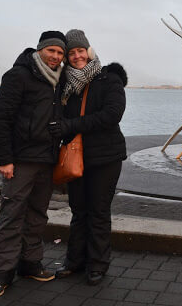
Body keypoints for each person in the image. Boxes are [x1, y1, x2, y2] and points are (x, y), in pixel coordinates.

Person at [0, 31, 67, 298]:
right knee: (11, 217)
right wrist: (5, 159)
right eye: (52, 51)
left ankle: (30, 264)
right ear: (40, 50)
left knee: (37, 216)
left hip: (46, 160)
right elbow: (0, 118)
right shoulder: (18, 75)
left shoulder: (58, 80)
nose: (56, 57)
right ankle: (1, 274)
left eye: (60, 53)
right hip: (20, 160)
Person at [48, 29, 127, 286]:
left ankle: (98, 264)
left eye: (80, 51)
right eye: (71, 53)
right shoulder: (65, 85)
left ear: (89, 51)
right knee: (78, 211)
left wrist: (70, 126)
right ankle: (75, 261)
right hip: (76, 157)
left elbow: (111, 115)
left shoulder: (109, 79)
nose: (77, 56)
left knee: (99, 211)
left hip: (105, 158)